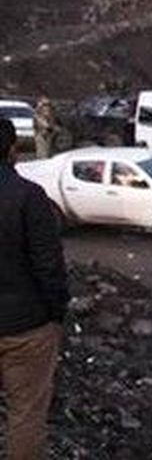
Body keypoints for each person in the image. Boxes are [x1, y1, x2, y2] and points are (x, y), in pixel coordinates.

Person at [0, 117, 69, 460]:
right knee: (25, 414)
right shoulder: (28, 197)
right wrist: (56, 314)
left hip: (24, 321)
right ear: (13, 151)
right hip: (25, 326)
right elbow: (49, 266)